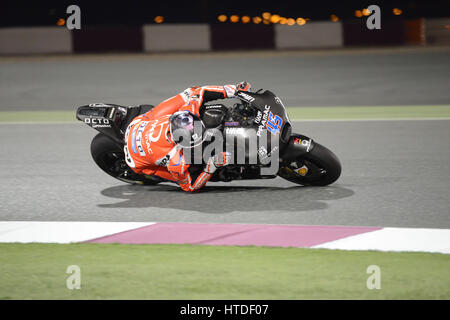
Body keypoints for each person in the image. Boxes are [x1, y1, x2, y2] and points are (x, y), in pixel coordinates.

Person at [124, 82, 251, 192]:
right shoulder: (176, 161)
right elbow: (190, 187)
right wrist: (211, 166)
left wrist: (234, 90)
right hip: (136, 161)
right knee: (191, 169)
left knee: (189, 92)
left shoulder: (186, 113)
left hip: (138, 124)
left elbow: (200, 91)